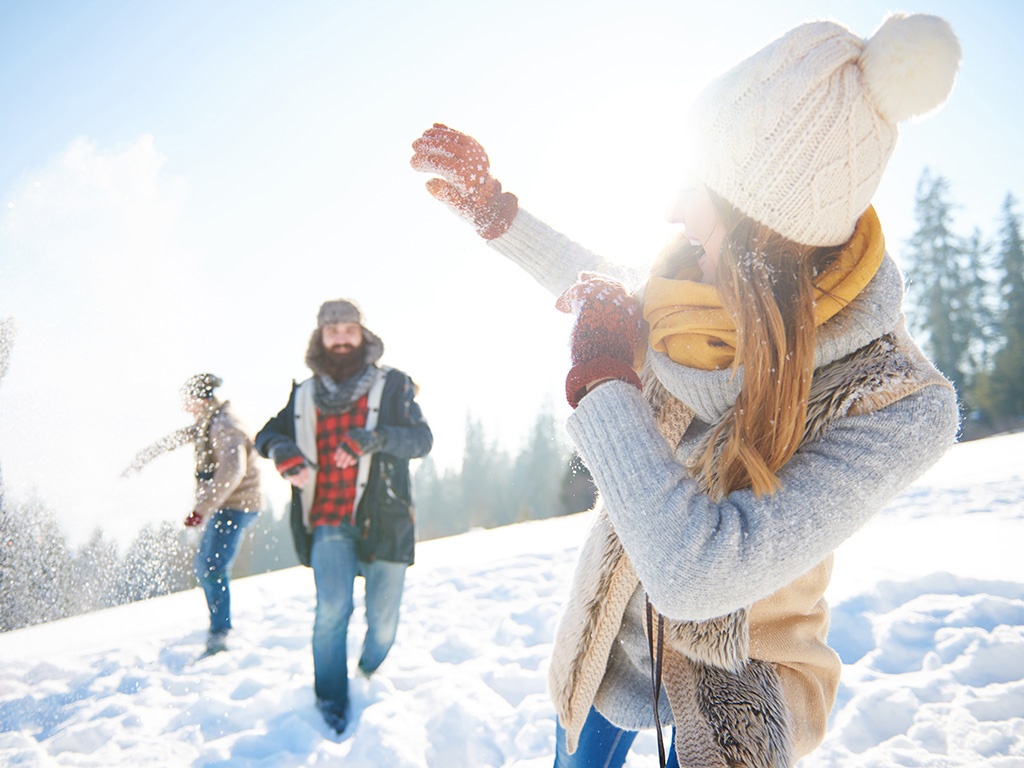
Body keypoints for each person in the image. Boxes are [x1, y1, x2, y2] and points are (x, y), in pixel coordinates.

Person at [412, 13, 961, 768]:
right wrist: (496, 215)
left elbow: (696, 578)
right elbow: (595, 277)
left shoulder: (893, 401)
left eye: (696, 187)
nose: (672, 209)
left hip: (741, 682)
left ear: (762, 218)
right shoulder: (691, 297)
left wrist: (603, 383)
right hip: (619, 637)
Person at [255, 299, 432, 734]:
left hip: (386, 519)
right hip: (328, 518)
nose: (339, 336)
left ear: (362, 334)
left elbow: (421, 440)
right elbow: (267, 434)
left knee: (384, 623)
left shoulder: (393, 386)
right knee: (332, 608)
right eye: (330, 329)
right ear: (320, 337)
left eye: (347, 328)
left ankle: (368, 675)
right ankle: (331, 699)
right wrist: (282, 451)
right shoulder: (304, 393)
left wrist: (371, 439)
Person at [124, 373, 262, 656]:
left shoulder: (226, 425)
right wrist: (143, 457)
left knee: (211, 567)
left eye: (188, 401)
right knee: (205, 566)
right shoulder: (209, 420)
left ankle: (220, 633)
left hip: (236, 506)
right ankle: (219, 626)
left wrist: (202, 510)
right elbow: (178, 438)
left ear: (201, 399)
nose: (185, 407)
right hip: (226, 505)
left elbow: (233, 471)